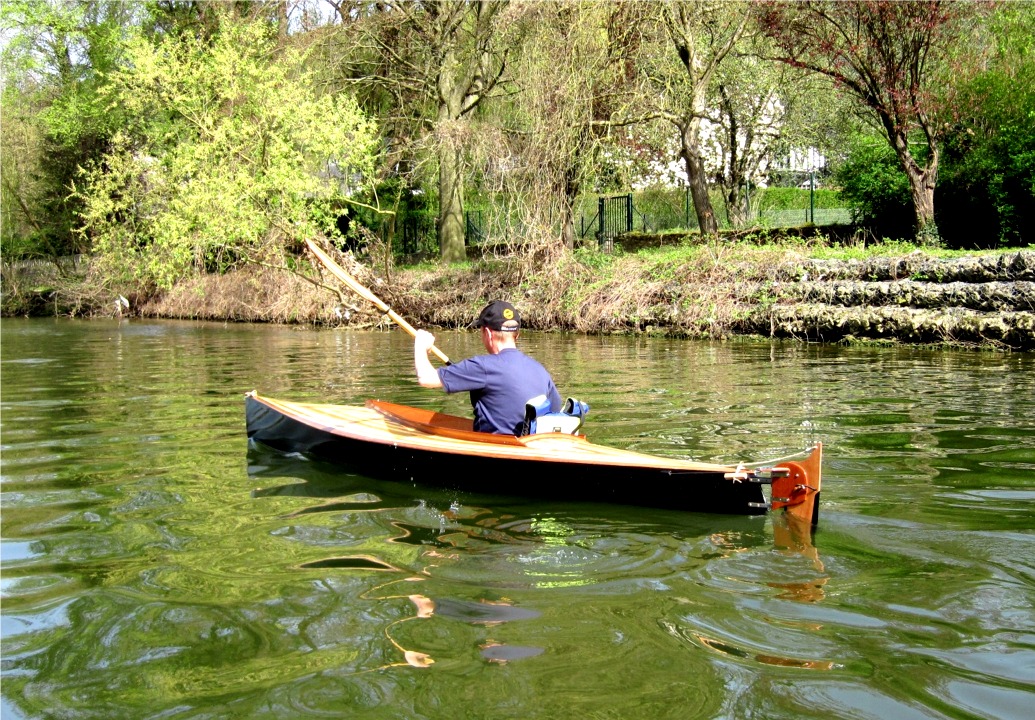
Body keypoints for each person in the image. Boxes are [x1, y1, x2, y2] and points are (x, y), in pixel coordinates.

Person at [414, 300, 562, 435]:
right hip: (530, 450)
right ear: (517, 335)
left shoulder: (482, 366)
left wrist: (420, 345)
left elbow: (426, 378)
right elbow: (555, 410)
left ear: (488, 333)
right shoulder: (540, 370)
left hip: (496, 452)